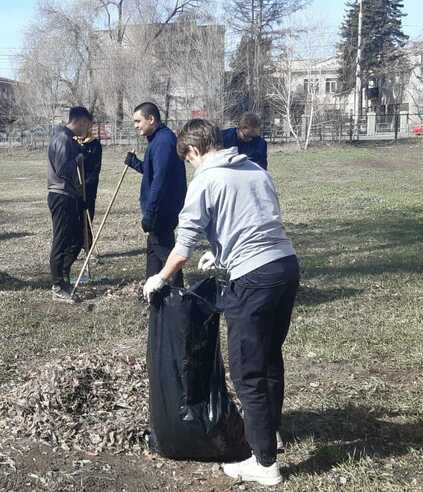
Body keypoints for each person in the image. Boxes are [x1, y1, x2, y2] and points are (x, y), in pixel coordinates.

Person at [143, 119, 299, 487]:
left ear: (194, 151)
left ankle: (264, 464)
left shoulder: (206, 180)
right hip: (285, 266)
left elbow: (182, 247)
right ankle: (270, 433)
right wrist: (224, 255)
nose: (191, 166)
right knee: (269, 356)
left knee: (247, 371)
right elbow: (261, 220)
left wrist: (159, 278)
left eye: (189, 160)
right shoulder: (255, 169)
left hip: (253, 279)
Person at [124, 102, 188, 288]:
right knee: (153, 250)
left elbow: (160, 179)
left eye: (138, 121)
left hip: (163, 209)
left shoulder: (163, 142)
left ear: (151, 119)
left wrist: (151, 213)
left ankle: (177, 295)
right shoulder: (159, 139)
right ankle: (151, 291)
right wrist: (134, 163)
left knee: (166, 252)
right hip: (161, 207)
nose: (136, 125)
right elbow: (153, 171)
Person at [47, 106, 93, 302]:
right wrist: (78, 158)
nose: (87, 131)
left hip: (69, 195)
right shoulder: (63, 139)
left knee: (76, 238)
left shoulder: (68, 139)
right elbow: (62, 169)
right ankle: (58, 286)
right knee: (61, 240)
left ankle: (64, 277)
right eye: (87, 126)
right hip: (61, 195)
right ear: (80, 121)